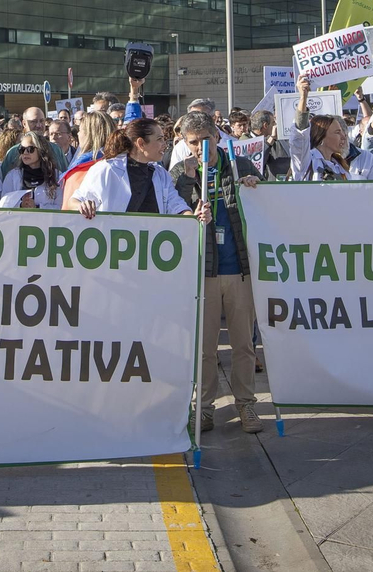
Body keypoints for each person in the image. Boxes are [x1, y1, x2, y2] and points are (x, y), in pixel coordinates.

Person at [171, 112, 262, 434]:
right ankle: (204, 407)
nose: (200, 148)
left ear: (217, 136)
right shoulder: (180, 172)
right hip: (202, 272)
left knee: (243, 345)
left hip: (239, 269)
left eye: (205, 139)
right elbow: (172, 215)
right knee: (204, 348)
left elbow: (268, 204)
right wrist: (188, 187)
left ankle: (246, 404)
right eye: (193, 142)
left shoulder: (240, 165)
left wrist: (255, 187)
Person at [71, 119, 206, 220]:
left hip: (150, 246)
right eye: (159, 139)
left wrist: (194, 217)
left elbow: (176, 206)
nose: (165, 145)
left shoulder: (160, 174)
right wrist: (82, 206)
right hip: (113, 245)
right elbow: (74, 202)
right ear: (141, 143)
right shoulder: (106, 169)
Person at [286, 74, 373, 180]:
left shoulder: (339, 166)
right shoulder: (306, 160)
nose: (344, 136)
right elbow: (299, 135)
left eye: (343, 132)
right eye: (337, 132)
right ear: (322, 137)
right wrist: (303, 97)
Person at [0, 131, 63, 209]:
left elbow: (61, 207)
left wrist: (37, 207)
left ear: (41, 150)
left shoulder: (56, 176)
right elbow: (3, 204)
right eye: (22, 149)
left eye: (30, 149)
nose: (25, 153)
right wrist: (20, 205)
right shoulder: (12, 176)